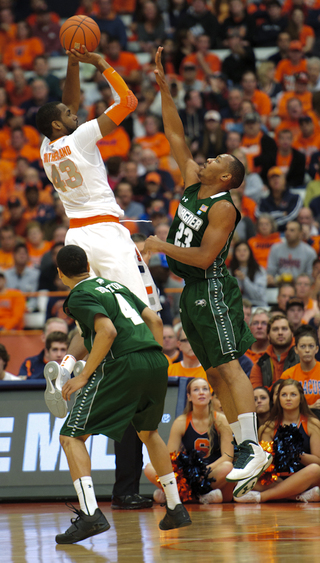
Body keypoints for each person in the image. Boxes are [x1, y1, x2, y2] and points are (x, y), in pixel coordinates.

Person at [144, 46, 272, 499]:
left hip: (213, 286)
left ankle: (253, 445)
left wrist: (161, 243)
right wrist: (164, 89)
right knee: (214, 373)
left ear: (226, 178)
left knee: (230, 367)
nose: (209, 158)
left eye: (217, 160)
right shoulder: (194, 184)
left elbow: (202, 258)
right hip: (190, 291)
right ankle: (242, 445)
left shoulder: (223, 207)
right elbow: (175, 134)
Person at [51, 244, 191, 543]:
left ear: (61, 273)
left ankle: (90, 515)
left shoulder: (78, 295)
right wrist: (152, 355)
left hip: (124, 363)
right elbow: (154, 320)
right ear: (88, 263)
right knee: (148, 433)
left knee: (70, 436)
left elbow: (107, 332)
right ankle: (175, 507)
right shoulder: (115, 285)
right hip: (155, 360)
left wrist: (84, 374)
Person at [36, 45, 160, 314]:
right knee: (138, 309)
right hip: (105, 233)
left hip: (77, 235)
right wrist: (100, 62)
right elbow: (128, 102)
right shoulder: (80, 138)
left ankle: (79, 359)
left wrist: (72, 63)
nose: (75, 114)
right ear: (58, 125)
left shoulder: (45, 147)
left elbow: (66, 105)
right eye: (69, 116)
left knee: (95, 315)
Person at [144, 377, 234, 503]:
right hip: (188, 474)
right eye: (196, 390)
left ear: (210, 395)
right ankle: (200, 497)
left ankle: (178, 496)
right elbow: (171, 457)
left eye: (205, 389)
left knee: (228, 467)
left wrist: (204, 471)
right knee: (149, 468)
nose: (201, 392)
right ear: (189, 397)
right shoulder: (181, 422)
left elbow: (228, 456)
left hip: (212, 472)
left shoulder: (221, 420)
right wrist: (187, 475)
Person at [235, 379, 320, 504]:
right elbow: (264, 464)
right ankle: (298, 496)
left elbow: (317, 461)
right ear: (277, 399)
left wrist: (296, 454)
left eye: (293, 394)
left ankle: (262, 497)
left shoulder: (312, 424)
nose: (288, 398)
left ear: (301, 398)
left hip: (305, 477)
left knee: (315, 470)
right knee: (244, 477)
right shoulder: (268, 427)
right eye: (284, 395)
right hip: (277, 479)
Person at [250, 314, 299, 390]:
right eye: (275, 329)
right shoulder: (260, 364)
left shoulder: (302, 359)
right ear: (268, 335)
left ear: (292, 333)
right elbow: (257, 394)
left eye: (284, 329)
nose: (280, 332)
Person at [281, 325, 320, 416]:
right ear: (296, 350)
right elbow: (281, 403)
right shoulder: (288, 375)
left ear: (316, 349)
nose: (307, 350)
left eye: (311, 346)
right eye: (302, 346)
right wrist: (310, 407)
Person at [229, 241, 268, 307]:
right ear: (234, 253)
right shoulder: (229, 271)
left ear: (250, 252)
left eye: (245, 250)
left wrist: (244, 279)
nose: (242, 253)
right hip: (237, 307)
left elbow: (258, 295)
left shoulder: (259, 270)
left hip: (257, 305)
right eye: (238, 250)